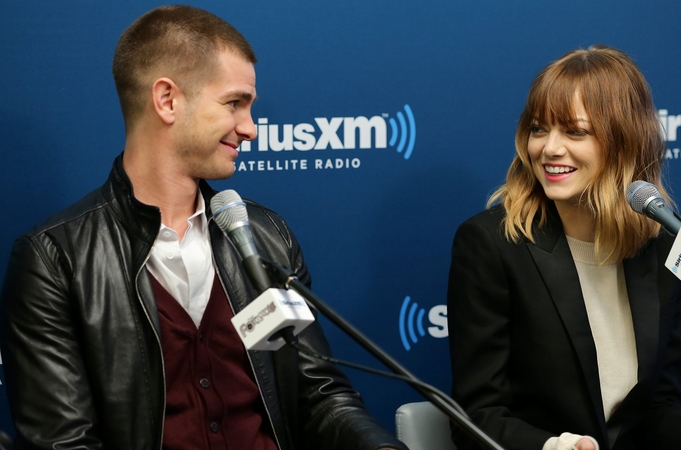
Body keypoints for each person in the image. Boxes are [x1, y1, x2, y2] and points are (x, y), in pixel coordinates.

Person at [0, 5, 407, 450]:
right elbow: (63, 442)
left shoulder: (266, 235)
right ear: (167, 100)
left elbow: (318, 392)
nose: (250, 129)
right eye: (235, 103)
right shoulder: (55, 259)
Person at [446, 45, 681, 450]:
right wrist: (555, 447)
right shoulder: (493, 244)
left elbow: (653, 412)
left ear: (624, 141)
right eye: (538, 128)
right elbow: (476, 419)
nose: (549, 148)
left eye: (575, 131)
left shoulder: (664, 248)